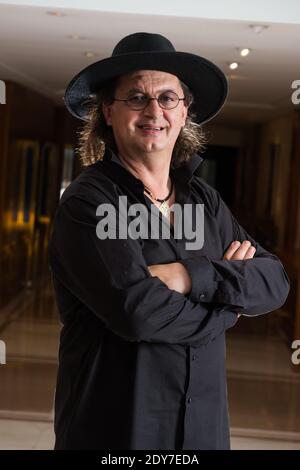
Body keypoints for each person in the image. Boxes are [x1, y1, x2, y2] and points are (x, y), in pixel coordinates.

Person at [49, 32, 290, 450]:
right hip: (119, 431)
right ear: (108, 111)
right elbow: (137, 311)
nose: (153, 110)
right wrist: (228, 310)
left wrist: (184, 275)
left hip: (203, 431)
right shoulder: (90, 202)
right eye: (136, 97)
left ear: (184, 113)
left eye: (167, 98)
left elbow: (274, 281)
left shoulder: (204, 200)